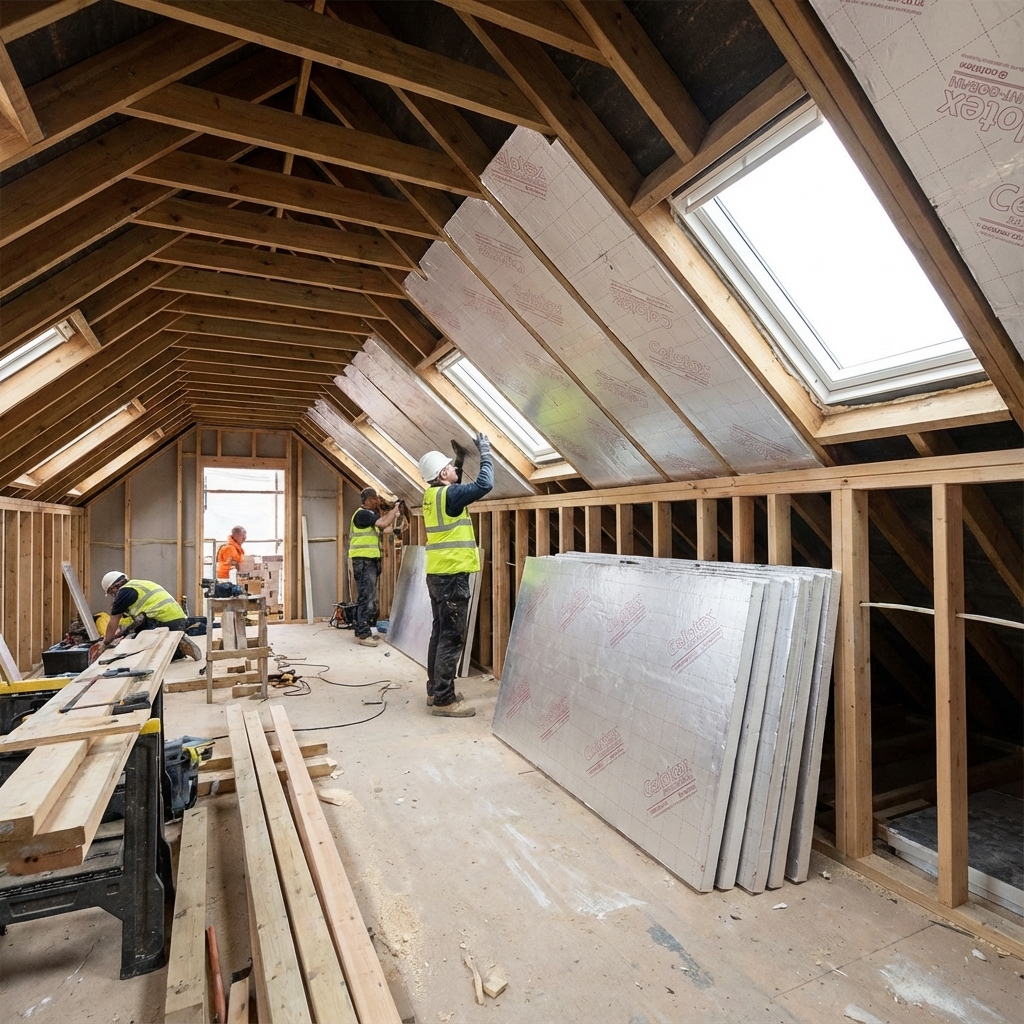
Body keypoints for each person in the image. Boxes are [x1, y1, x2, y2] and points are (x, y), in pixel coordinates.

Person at [418, 434, 492, 718]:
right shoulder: (449, 495)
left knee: (439, 633)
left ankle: (434, 690)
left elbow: (457, 488)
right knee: (451, 637)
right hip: (451, 577)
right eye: (451, 467)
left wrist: (459, 457)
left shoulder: (433, 496)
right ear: (442, 474)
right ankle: (444, 700)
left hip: (437, 574)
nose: (455, 470)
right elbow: (485, 484)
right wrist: (484, 451)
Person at [97, 571, 202, 661]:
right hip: (179, 621)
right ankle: (178, 648)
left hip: (166, 623)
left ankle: (177, 643)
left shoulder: (124, 593)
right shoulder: (137, 584)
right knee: (167, 657)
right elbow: (137, 617)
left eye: (111, 593)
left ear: (115, 587)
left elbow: (114, 620)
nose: (113, 596)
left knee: (144, 649)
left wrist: (106, 642)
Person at [349, 487, 404, 648]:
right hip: (364, 561)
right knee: (366, 598)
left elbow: (384, 528)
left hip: (370, 561)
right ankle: (362, 633)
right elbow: (384, 522)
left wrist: (395, 527)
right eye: (375, 498)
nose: (378, 501)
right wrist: (395, 509)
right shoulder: (362, 514)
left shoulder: (370, 515)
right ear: (367, 500)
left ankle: (367, 628)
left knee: (371, 598)